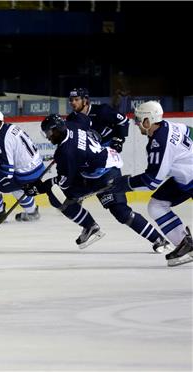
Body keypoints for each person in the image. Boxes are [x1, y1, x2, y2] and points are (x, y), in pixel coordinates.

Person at [23, 114, 170, 252]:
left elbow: (63, 183)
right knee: (59, 197)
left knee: (119, 211)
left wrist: (38, 188)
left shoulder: (66, 152)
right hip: (100, 167)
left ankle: (157, 239)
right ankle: (92, 227)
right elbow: (85, 120)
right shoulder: (72, 124)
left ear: (56, 130)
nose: (48, 138)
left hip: (105, 175)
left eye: (48, 133)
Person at [110, 101, 193, 266]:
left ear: (148, 121)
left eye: (138, 119)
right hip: (185, 178)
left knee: (157, 205)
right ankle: (186, 244)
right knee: (157, 205)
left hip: (189, 178)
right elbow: (190, 131)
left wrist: (125, 184)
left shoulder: (159, 143)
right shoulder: (171, 126)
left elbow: (151, 182)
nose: (136, 123)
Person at [0, 110, 42, 223]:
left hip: (25, 174)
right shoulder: (12, 127)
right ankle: (32, 213)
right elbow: (14, 151)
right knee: (17, 187)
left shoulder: (0, 140)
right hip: (38, 168)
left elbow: (8, 171)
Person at [67, 87, 129, 153]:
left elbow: (123, 120)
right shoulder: (71, 118)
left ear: (85, 101)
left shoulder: (102, 110)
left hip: (107, 144)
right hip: (90, 148)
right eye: (71, 100)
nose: (73, 102)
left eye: (76, 100)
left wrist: (118, 140)